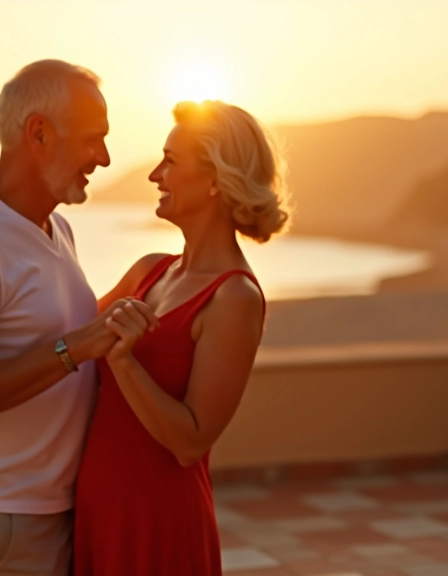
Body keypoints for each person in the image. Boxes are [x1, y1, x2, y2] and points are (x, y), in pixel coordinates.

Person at [0, 60, 158, 576]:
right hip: (3, 518)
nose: (105, 157)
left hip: (53, 509)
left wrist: (141, 284)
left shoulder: (57, 228)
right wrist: (76, 346)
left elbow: (54, 335)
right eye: (94, 139)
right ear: (39, 132)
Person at [73, 100, 291, 575]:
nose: (155, 175)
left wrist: (125, 363)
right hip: (98, 513)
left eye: (170, 161)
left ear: (216, 180)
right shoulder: (148, 271)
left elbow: (191, 441)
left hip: (160, 524)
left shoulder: (235, 297)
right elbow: (67, 341)